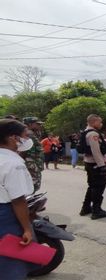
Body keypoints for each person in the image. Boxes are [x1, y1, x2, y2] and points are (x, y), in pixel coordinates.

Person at [0, 119, 36, 279]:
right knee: (10, 263)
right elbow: (18, 201)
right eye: (25, 136)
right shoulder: (13, 164)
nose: (27, 139)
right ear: (13, 138)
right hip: (6, 216)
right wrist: (27, 228)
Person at [79, 114, 106, 219]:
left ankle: (86, 208)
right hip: (95, 164)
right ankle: (96, 210)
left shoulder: (86, 132)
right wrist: (102, 165)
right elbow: (96, 151)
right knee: (99, 186)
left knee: (92, 186)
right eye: (99, 122)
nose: (101, 124)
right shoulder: (93, 134)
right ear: (93, 122)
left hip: (90, 163)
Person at [22, 117, 45, 192]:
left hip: (33, 162)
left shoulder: (33, 133)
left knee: (33, 185)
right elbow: (23, 150)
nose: (39, 126)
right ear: (30, 124)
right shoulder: (28, 134)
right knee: (32, 186)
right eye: (37, 124)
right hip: (30, 163)